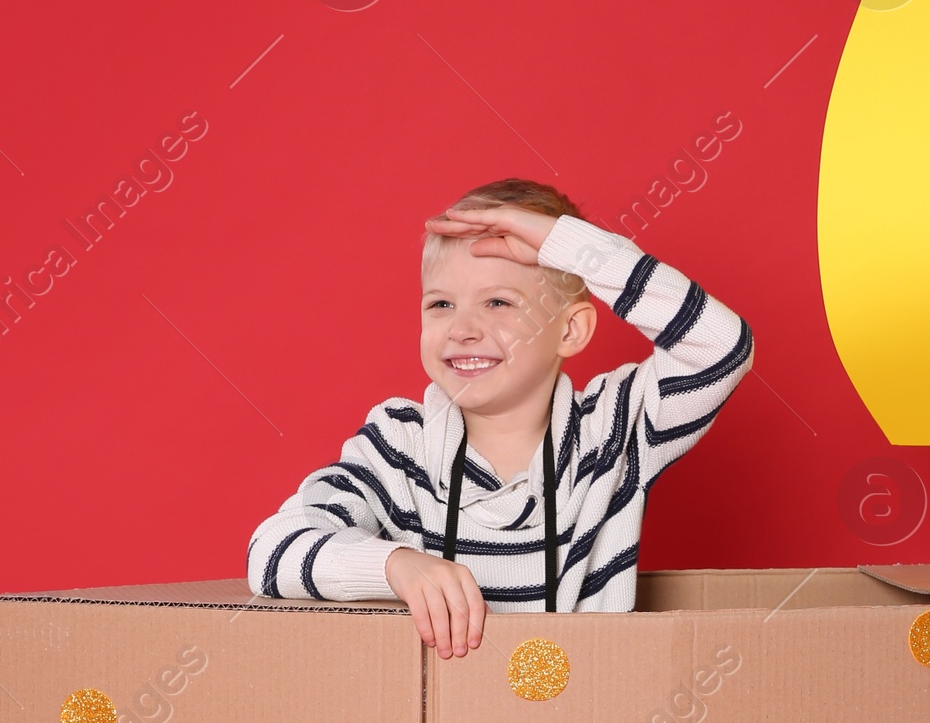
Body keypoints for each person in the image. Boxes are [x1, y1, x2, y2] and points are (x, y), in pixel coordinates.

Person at [246, 178, 752, 655]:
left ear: (570, 330)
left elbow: (720, 348)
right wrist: (394, 565)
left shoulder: (613, 431)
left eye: (498, 302)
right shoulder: (401, 445)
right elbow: (271, 551)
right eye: (441, 303)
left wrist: (571, 247)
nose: (463, 327)